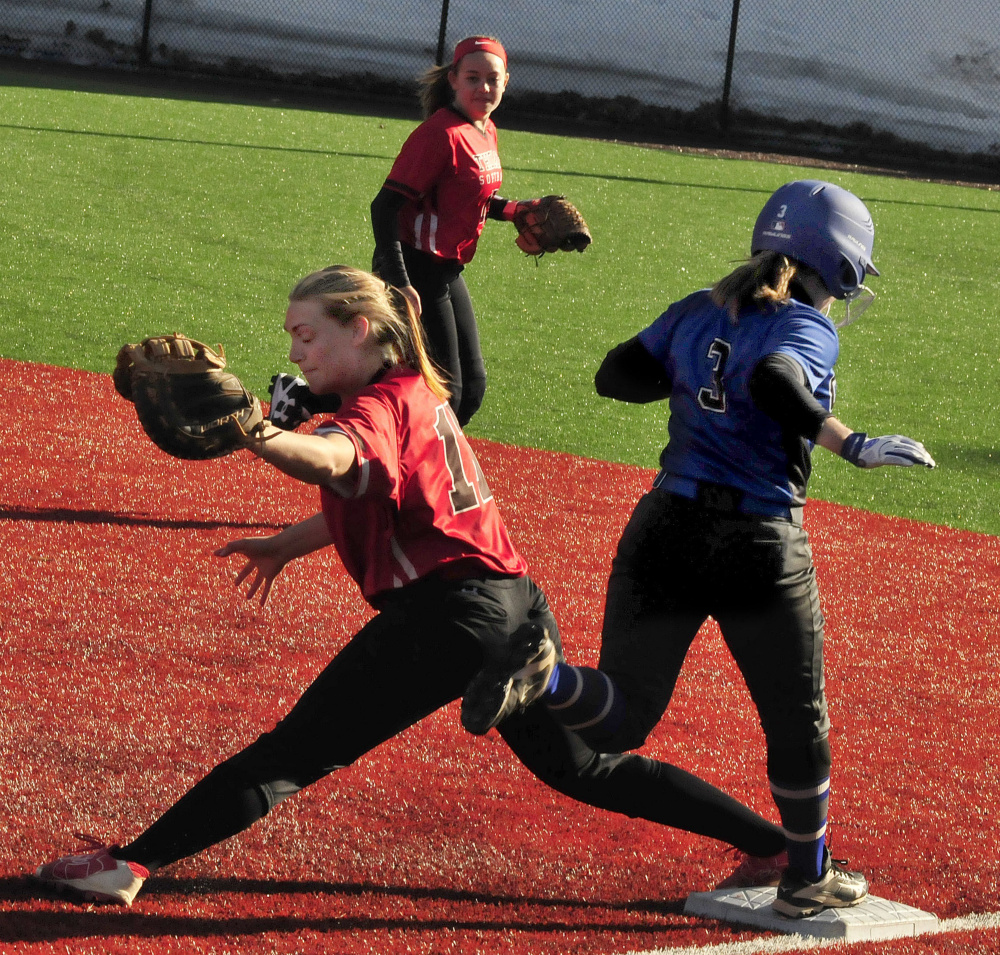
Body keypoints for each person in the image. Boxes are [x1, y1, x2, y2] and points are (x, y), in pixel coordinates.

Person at [34, 264, 789, 907]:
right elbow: (381, 494)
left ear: (361, 326)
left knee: (296, 750)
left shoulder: (374, 406)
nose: (295, 348)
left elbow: (339, 461)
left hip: (450, 615)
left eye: (307, 333)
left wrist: (259, 432)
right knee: (586, 766)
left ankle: (130, 864)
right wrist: (288, 543)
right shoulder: (413, 391)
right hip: (514, 603)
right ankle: (775, 844)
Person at [517, 181, 936, 918]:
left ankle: (546, 678)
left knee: (622, 715)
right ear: (834, 263)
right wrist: (850, 441)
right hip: (757, 542)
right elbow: (776, 381)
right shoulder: (806, 325)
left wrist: (696, 378)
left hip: (665, 527)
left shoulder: (700, 306)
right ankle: (807, 873)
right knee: (796, 719)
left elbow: (615, 375)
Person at [370, 35, 539, 427]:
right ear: (454, 80)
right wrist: (398, 280)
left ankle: (417, 460)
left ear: (506, 82)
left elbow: (469, 198)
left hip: (446, 270)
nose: (483, 88)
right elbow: (384, 207)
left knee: (472, 388)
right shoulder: (439, 135)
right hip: (416, 267)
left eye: (492, 79)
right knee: (448, 392)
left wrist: (514, 210)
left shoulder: (485, 129)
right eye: (473, 78)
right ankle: (408, 465)